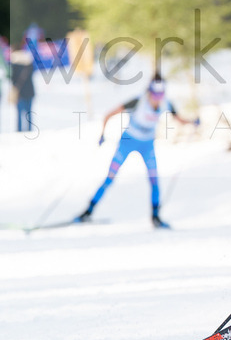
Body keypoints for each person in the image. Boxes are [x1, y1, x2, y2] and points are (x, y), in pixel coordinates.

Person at [75, 75, 198, 228]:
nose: (157, 99)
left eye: (160, 95)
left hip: (147, 145)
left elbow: (178, 118)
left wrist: (193, 122)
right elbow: (108, 115)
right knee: (110, 177)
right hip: (128, 141)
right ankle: (88, 212)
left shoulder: (166, 104)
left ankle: (155, 217)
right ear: (149, 91)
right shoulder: (137, 102)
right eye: (154, 94)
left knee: (154, 180)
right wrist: (102, 134)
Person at [10, 49, 36, 133]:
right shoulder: (29, 65)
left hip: (19, 93)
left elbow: (12, 78)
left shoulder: (14, 65)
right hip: (30, 92)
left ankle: (19, 131)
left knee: (19, 114)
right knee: (29, 113)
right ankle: (29, 130)